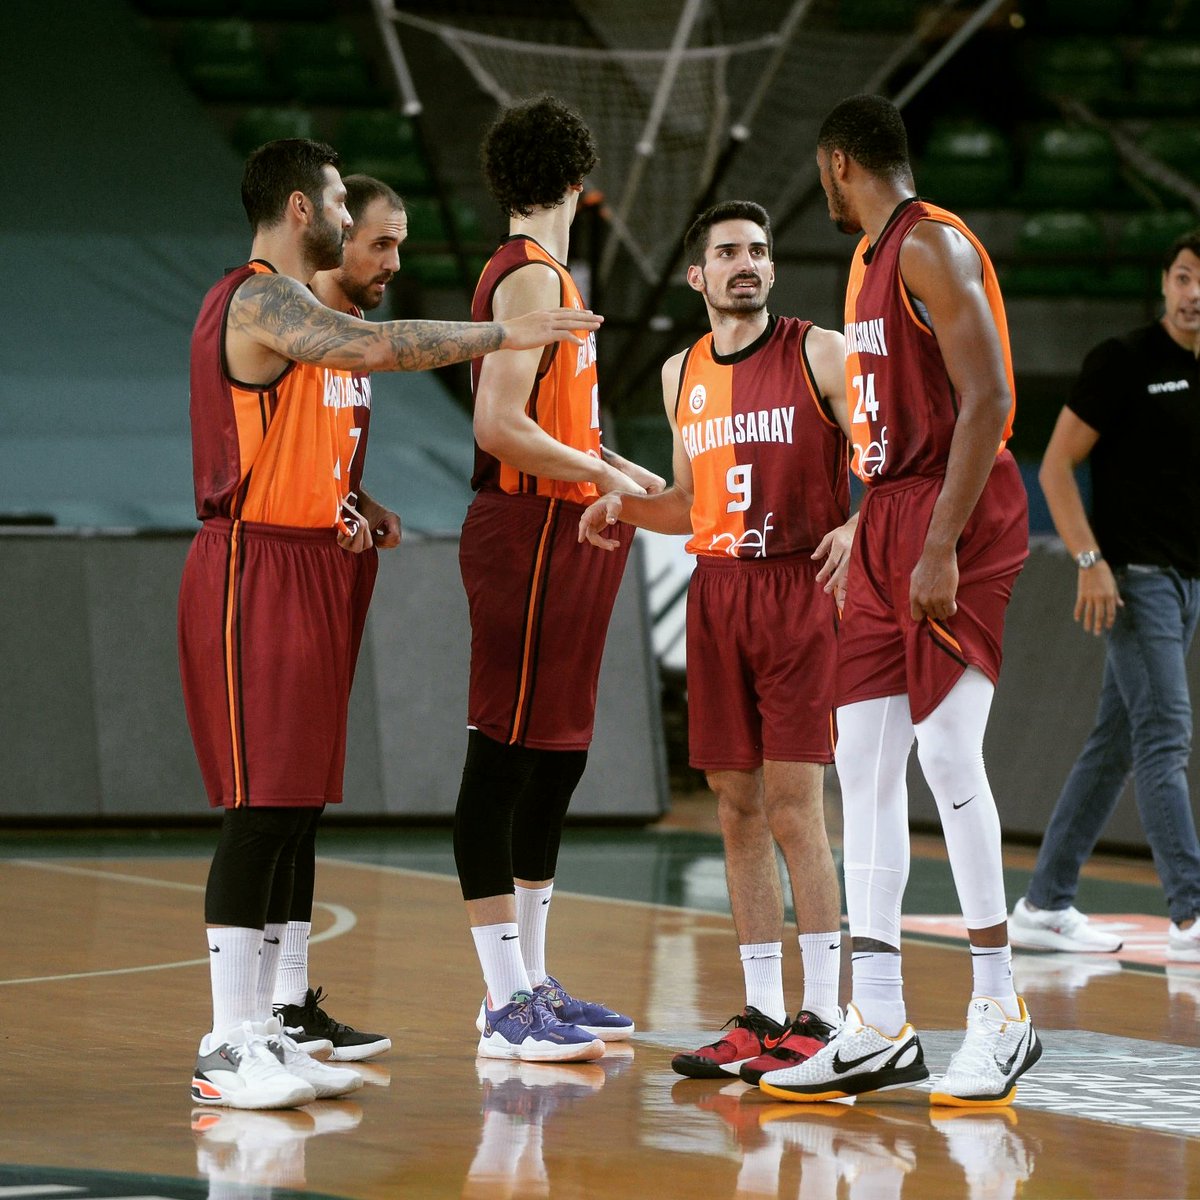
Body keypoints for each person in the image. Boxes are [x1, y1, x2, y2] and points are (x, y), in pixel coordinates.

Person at [182, 137, 603, 1110]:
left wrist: (353, 495)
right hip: (254, 564)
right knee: (257, 806)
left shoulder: (299, 309)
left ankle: (273, 1021)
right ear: (301, 210)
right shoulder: (257, 297)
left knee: (288, 801)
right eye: (339, 203)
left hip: (313, 558)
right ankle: (226, 1039)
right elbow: (370, 348)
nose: (354, 225)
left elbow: (310, 416)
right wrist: (507, 337)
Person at [757, 94, 1040, 1108]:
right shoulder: (867, 259)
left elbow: (992, 400)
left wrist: (939, 542)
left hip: (957, 515)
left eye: (820, 172)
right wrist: (867, 526)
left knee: (948, 752)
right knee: (864, 764)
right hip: (888, 520)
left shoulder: (931, 248)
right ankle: (876, 1018)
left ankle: (1002, 1010)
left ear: (839, 162)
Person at [579, 200, 853, 1084]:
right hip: (718, 592)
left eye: (760, 252)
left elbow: (891, 460)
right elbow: (691, 502)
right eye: (728, 252)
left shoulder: (822, 352)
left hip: (796, 588)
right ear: (697, 276)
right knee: (734, 806)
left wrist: (863, 528)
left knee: (794, 808)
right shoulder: (679, 373)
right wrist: (623, 504)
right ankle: (762, 1014)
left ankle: (825, 1012)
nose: (748, 264)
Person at [452, 94, 664, 1063]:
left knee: (557, 755)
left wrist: (613, 465)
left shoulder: (547, 279)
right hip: (525, 528)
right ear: (580, 183)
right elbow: (499, 428)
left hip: (563, 522)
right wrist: (601, 472)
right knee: (501, 757)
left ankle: (533, 983)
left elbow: (552, 422)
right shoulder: (531, 280)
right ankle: (502, 1003)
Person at [1010, 229, 1200, 962]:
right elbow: (1056, 468)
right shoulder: (1122, 362)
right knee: (1164, 740)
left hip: (1187, 585)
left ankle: (1044, 903)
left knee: (1115, 743)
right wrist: (1090, 560)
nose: (1194, 295)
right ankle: (1190, 915)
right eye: (1184, 277)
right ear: (1164, 282)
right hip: (1135, 583)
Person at [268, 175, 408, 1062]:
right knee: (274, 798)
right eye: (381, 243)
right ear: (340, 239)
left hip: (332, 569)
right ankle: (259, 1015)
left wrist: (363, 500)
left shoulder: (350, 343)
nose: (393, 260)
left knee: (306, 800)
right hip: (276, 571)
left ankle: (289, 1003)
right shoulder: (290, 328)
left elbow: (324, 457)